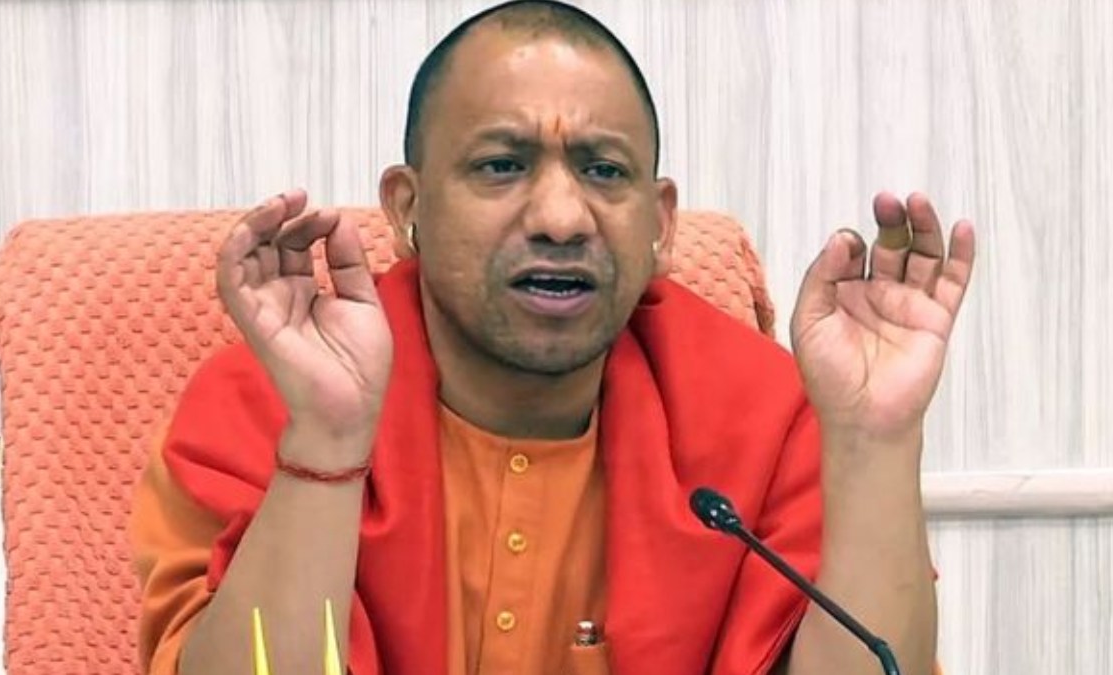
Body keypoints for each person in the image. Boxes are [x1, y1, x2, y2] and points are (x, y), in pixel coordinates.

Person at [130, 1, 975, 674]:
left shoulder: (767, 415)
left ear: (660, 225)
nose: (563, 217)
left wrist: (876, 440)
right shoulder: (264, 403)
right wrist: (325, 441)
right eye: (502, 165)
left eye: (604, 171)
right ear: (407, 207)